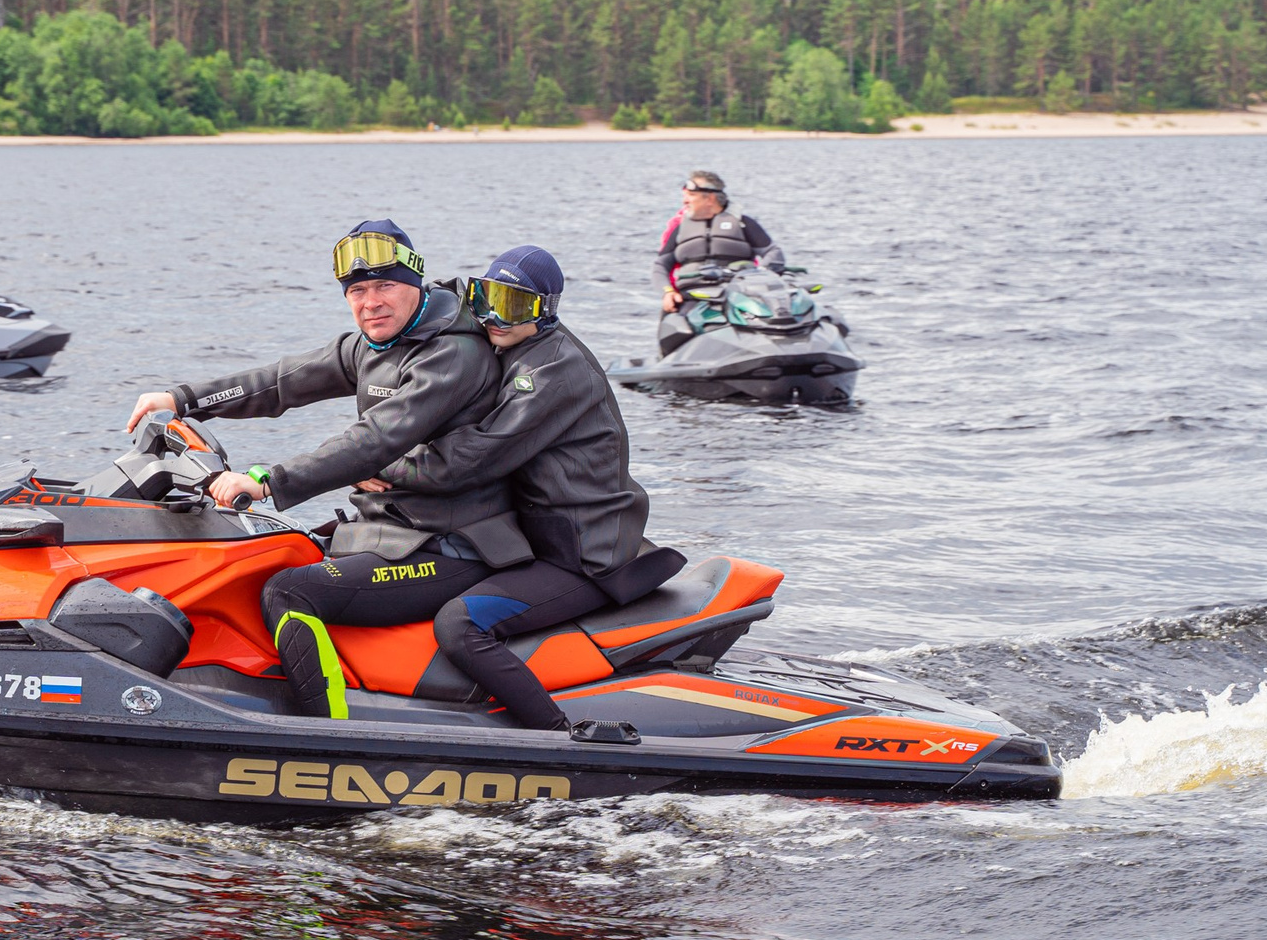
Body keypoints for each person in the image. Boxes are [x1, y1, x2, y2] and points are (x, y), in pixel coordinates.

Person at [123, 219, 530, 720]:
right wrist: (184, 399)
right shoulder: (377, 342)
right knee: (260, 557)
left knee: (290, 590)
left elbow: (377, 438)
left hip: (455, 544)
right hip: (395, 529)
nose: (371, 302)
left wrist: (267, 479)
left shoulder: (452, 353)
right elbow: (281, 382)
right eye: (357, 290)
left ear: (415, 283)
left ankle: (328, 732)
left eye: (385, 286)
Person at [364, 244, 671, 731]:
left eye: (513, 306)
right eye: (485, 299)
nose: (493, 317)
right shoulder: (513, 344)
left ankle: (555, 735)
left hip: (584, 556)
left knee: (459, 623)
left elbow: (477, 454)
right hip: (537, 540)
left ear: (545, 311)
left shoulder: (553, 370)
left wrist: (387, 467)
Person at [655, 169, 786, 311]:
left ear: (710, 198)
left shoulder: (742, 223)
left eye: (691, 195)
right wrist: (668, 292)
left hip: (738, 294)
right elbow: (661, 265)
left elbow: (773, 252)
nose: (684, 201)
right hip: (691, 297)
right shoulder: (680, 228)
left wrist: (760, 274)